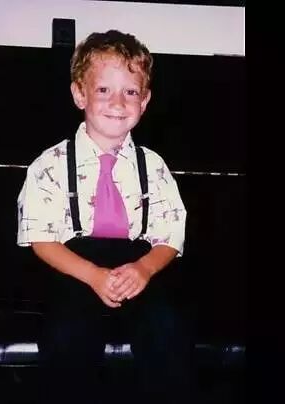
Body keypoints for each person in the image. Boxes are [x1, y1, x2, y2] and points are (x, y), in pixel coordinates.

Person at [17, 29, 195, 404]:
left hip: (137, 264)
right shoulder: (49, 164)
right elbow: (41, 239)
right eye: (103, 90)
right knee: (66, 336)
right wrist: (93, 275)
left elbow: (170, 234)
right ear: (79, 94)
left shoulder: (154, 166)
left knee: (167, 331)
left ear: (144, 100)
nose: (117, 102)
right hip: (75, 266)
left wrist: (144, 269)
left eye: (130, 91)